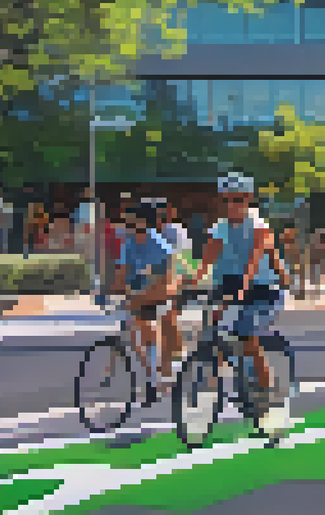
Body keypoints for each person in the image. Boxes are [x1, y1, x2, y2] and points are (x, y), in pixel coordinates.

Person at [191, 173, 291, 406]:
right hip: (232, 283)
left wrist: (244, 286)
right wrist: (192, 283)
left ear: (248, 199)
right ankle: (215, 382)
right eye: (226, 200)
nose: (231, 205)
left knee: (247, 335)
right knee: (213, 330)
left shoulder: (258, 226)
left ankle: (267, 390)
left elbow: (254, 260)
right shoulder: (220, 227)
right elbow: (207, 259)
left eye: (238, 199)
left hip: (263, 288)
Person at [110, 201, 182, 404]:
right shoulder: (129, 243)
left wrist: (139, 296)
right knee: (133, 335)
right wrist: (111, 291)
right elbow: (122, 272)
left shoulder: (159, 245)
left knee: (149, 326)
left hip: (159, 292)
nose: (127, 224)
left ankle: (156, 376)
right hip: (137, 293)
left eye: (131, 220)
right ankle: (154, 371)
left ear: (143, 222)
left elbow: (165, 280)